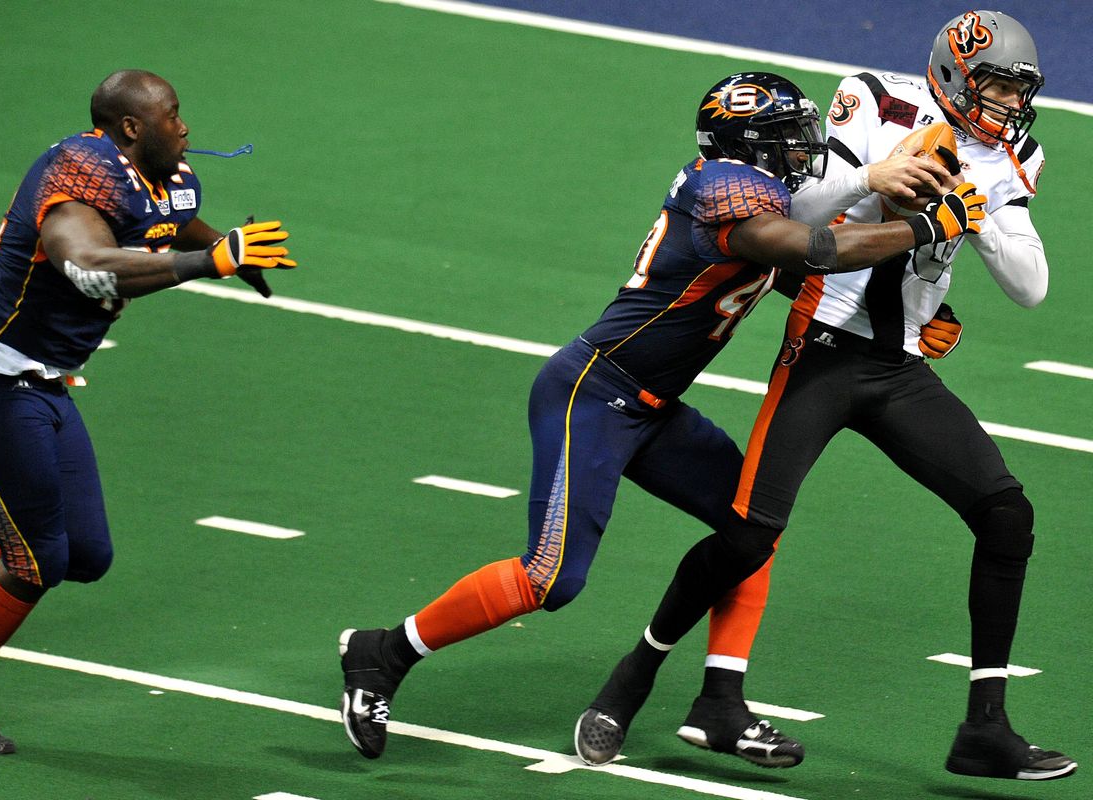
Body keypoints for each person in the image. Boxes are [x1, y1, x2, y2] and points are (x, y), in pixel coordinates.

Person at [337, 70, 980, 761]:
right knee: (550, 579)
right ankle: (384, 652)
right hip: (594, 390)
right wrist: (926, 226)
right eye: (789, 138)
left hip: (652, 404)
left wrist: (904, 324)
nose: (806, 149)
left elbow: (793, 272)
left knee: (748, 532)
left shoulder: (750, 194)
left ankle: (723, 704)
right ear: (747, 143)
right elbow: (816, 250)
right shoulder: (724, 191)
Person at [574, 10, 1077, 782]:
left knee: (1007, 515)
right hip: (823, 353)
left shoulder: (1010, 154)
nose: (1010, 103)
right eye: (997, 85)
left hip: (899, 368)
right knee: (747, 537)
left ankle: (986, 727)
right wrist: (879, 181)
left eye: (1019, 89)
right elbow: (797, 215)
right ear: (953, 75)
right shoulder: (876, 100)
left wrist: (970, 197)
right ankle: (631, 680)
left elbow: (1031, 287)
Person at [0, 69, 296, 754]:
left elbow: (165, 222)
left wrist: (224, 245)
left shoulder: (165, 173)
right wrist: (207, 262)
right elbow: (85, 264)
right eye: (173, 115)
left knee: (84, 552)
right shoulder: (80, 181)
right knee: (36, 558)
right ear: (133, 128)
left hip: (43, 381)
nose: (186, 126)